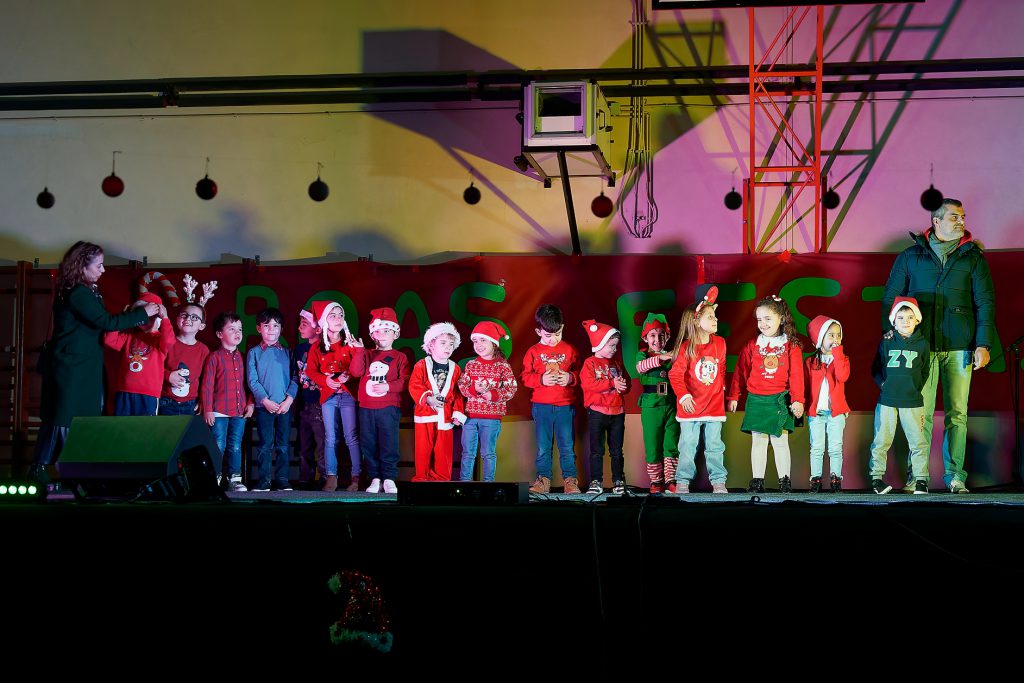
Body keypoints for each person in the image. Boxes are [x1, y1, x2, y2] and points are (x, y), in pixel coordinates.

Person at [881, 198, 995, 494]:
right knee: (921, 415)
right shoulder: (910, 256)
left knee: (958, 415)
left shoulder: (973, 257)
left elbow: (985, 302)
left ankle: (955, 476)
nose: (961, 221)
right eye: (954, 217)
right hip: (920, 348)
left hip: (960, 347)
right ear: (936, 221)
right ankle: (917, 477)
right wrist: (893, 335)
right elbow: (891, 297)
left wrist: (983, 343)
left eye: (963, 216)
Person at [29, 241, 158, 484]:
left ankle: (68, 472)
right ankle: (46, 470)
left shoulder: (84, 290)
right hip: (72, 368)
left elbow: (102, 321)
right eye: (99, 265)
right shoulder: (78, 292)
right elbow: (106, 322)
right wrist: (143, 313)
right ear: (82, 266)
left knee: (74, 418)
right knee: (64, 418)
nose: (103, 270)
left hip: (82, 367)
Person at [726, 294, 805, 493]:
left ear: (781, 318)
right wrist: (734, 395)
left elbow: (797, 375)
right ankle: (757, 480)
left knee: (780, 441)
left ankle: (784, 481)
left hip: (779, 400)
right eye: (759, 319)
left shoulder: (791, 345)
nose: (763, 323)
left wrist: (798, 400)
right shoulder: (752, 345)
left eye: (768, 318)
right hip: (756, 399)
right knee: (758, 441)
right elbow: (740, 372)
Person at [668, 287, 728, 494]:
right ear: (696, 321)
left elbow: (721, 368)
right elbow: (675, 375)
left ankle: (718, 481)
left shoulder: (720, 343)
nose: (715, 319)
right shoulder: (686, 347)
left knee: (715, 446)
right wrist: (683, 395)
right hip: (691, 406)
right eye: (710, 316)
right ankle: (683, 481)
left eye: (715, 316)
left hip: (714, 405)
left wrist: (721, 387)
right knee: (687, 445)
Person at [869, 298, 931, 495]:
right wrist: (883, 385)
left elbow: (925, 370)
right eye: (901, 318)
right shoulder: (886, 341)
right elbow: (876, 368)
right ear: (893, 322)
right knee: (881, 440)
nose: (906, 321)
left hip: (912, 401)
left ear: (917, 320)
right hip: (887, 400)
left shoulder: (923, 344)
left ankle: (921, 480)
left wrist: (914, 388)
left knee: (918, 442)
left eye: (910, 317)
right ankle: (876, 478)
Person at [521, 304, 581, 495]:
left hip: (565, 406)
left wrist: (570, 377)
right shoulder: (533, 351)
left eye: (557, 334)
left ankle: (570, 481)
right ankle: (543, 480)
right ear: (538, 331)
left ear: (562, 327)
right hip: (542, 406)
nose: (553, 339)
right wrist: (541, 379)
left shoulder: (570, 350)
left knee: (567, 446)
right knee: (543, 447)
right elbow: (525, 377)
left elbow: (582, 373)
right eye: (548, 335)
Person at [349, 307, 410, 494]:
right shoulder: (367, 354)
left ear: (395, 334)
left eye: (386, 331)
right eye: (377, 331)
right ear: (371, 335)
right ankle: (374, 477)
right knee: (369, 443)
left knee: (389, 443)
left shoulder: (400, 357)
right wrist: (359, 351)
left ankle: (389, 478)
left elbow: (405, 380)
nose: (381, 335)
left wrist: (388, 387)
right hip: (366, 408)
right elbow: (356, 372)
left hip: (389, 408)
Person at [305, 301, 360, 492]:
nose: (338, 319)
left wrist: (348, 376)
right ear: (324, 321)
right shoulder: (317, 347)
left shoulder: (350, 343)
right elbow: (311, 371)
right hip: (328, 397)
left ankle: (356, 477)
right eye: (333, 315)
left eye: (340, 315)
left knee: (351, 436)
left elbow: (359, 368)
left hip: (347, 396)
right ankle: (331, 477)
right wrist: (326, 381)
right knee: (330, 437)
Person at [456, 321, 517, 482]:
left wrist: (493, 395)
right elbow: (462, 385)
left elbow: (511, 388)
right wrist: (474, 390)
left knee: (488, 453)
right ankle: (464, 483)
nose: (478, 345)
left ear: (494, 343)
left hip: (491, 418)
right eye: (475, 341)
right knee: (468, 453)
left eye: (483, 340)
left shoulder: (503, 366)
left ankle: (488, 483)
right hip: (470, 417)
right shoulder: (471, 365)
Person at [201, 311, 254, 491]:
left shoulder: (244, 357)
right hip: (218, 410)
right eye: (231, 329)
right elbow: (207, 386)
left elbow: (250, 383)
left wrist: (250, 403)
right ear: (219, 333)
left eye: (240, 329)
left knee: (235, 444)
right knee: (218, 444)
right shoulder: (214, 357)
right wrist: (207, 409)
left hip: (239, 410)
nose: (237, 332)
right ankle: (215, 477)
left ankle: (235, 478)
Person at [247, 307, 298, 492]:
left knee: (283, 445)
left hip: (284, 407)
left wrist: (288, 400)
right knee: (265, 445)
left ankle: (283, 480)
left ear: (281, 329)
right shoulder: (254, 352)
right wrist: (265, 400)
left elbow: (295, 377)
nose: (271, 329)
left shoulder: (287, 352)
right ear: (258, 328)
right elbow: (252, 380)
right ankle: (264, 481)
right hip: (264, 408)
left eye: (276, 326)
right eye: (266, 325)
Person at [409, 322, 467, 482]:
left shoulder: (455, 368)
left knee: (444, 452)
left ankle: (441, 481)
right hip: (425, 415)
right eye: (443, 343)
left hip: (445, 417)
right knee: (423, 449)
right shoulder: (421, 365)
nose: (448, 347)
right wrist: (428, 398)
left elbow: (457, 393)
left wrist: (457, 412)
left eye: (451, 344)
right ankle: (421, 480)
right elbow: (414, 384)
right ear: (431, 344)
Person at [103, 292, 175, 416]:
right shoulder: (129, 337)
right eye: (142, 315)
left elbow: (169, 341)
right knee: (121, 425)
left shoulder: (159, 339)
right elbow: (109, 340)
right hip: (124, 391)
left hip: (148, 394)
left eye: (150, 316)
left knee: (145, 427)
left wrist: (165, 318)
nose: (145, 320)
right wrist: (126, 317)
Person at [581, 320, 630, 495]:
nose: (614, 349)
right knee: (597, 450)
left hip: (617, 412)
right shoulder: (590, 363)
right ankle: (596, 481)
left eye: (616, 346)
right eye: (611, 346)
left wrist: (623, 385)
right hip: (597, 412)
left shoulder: (617, 363)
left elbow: (627, 383)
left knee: (616, 451)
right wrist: (611, 383)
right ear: (599, 343)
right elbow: (588, 384)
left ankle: (618, 480)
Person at [634, 313, 680, 493]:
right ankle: (656, 481)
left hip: (671, 404)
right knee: (652, 444)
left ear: (667, 337)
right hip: (651, 406)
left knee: (671, 443)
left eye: (661, 335)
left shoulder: (673, 355)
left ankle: (671, 479)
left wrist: (671, 357)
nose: (657, 339)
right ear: (645, 338)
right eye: (652, 335)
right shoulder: (643, 355)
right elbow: (640, 368)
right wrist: (662, 358)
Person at [805, 315, 850, 493]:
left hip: (836, 412)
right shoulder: (810, 362)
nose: (835, 339)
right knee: (816, 447)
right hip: (816, 413)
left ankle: (835, 479)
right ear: (819, 338)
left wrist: (838, 354)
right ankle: (815, 479)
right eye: (830, 335)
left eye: (838, 335)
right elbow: (805, 386)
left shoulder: (842, 358)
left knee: (835, 447)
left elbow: (842, 376)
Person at [293, 308, 326, 489]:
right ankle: (305, 479)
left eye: (304, 324)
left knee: (322, 442)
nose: (300, 328)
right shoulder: (300, 349)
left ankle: (324, 478)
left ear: (318, 328)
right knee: (304, 443)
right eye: (300, 324)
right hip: (304, 402)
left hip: (320, 403)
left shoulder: (325, 348)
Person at [159, 302, 210, 417]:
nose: (188, 319)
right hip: (165, 401)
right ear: (177, 319)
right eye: (184, 315)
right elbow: (153, 367)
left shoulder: (204, 350)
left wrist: (203, 400)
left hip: (190, 404)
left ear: (201, 326)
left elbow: (205, 379)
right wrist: (168, 376)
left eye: (194, 317)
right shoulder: (167, 342)